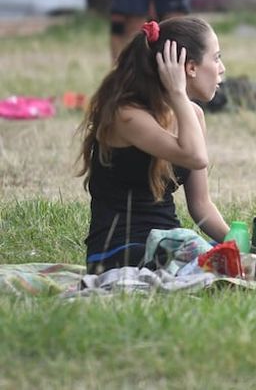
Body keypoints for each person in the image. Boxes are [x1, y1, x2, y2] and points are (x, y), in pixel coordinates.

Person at [76, 17, 229, 273]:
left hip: (171, 245)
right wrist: (178, 94)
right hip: (119, 250)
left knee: (229, 257)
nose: (222, 68)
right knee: (204, 258)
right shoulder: (126, 116)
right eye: (216, 58)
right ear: (190, 68)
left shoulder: (193, 116)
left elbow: (201, 205)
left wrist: (242, 247)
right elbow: (194, 157)